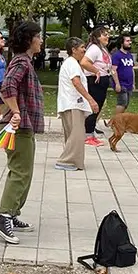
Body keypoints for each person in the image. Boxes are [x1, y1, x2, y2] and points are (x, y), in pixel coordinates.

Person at [0, 21, 45, 244]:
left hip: (26, 126)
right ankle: (3, 217)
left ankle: (12, 214)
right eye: (38, 37)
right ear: (29, 39)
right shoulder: (22, 62)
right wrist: (15, 112)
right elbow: (7, 86)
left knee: (26, 172)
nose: (41, 41)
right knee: (20, 172)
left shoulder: (25, 62)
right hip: (19, 126)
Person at [55, 37, 98, 173]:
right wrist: (91, 100)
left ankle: (73, 161)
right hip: (73, 104)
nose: (84, 50)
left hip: (71, 104)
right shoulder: (72, 63)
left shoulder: (72, 63)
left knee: (74, 135)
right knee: (77, 135)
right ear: (73, 50)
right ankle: (66, 160)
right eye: (82, 47)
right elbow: (76, 82)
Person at [82, 26, 118, 146]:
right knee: (94, 107)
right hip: (95, 80)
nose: (108, 36)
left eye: (108, 34)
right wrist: (96, 71)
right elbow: (84, 62)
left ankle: (90, 132)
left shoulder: (101, 48)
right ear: (97, 37)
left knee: (98, 107)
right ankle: (88, 135)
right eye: (104, 34)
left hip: (102, 79)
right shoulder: (94, 49)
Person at [110, 35, 136, 117]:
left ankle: (118, 121)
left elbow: (132, 69)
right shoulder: (117, 55)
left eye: (130, 41)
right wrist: (117, 83)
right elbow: (113, 70)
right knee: (122, 103)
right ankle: (115, 122)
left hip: (129, 84)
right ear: (122, 43)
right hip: (121, 83)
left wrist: (133, 83)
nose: (130, 43)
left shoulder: (130, 55)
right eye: (127, 41)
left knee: (126, 104)